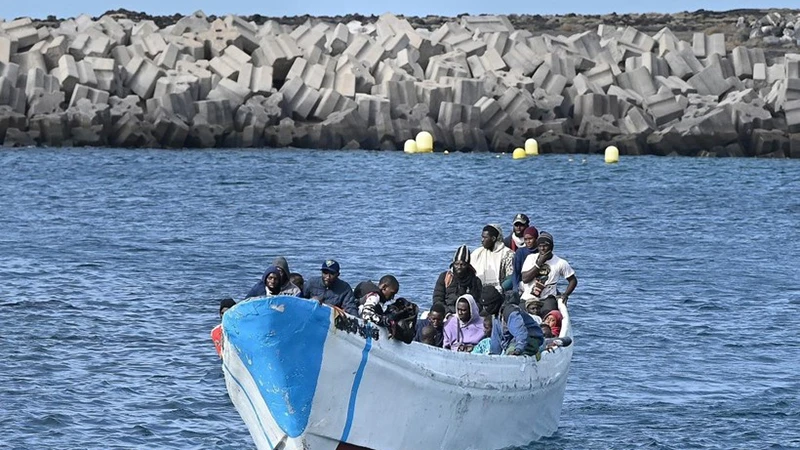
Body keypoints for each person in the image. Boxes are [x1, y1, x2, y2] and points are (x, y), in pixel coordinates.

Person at [519, 232, 578, 305]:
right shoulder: (531, 258)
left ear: (551, 247)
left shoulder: (560, 262)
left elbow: (573, 280)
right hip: (528, 297)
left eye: (545, 246)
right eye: (540, 246)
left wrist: (565, 294)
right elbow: (525, 279)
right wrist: (539, 263)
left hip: (547, 299)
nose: (542, 248)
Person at [432, 245, 483, 315]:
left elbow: (479, 302)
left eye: (462, 264)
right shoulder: (445, 277)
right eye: (456, 264)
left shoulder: (475, 281)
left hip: (467, 314)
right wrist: (447, 313)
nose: (459, 267)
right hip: (447, 313)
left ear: (467, 265)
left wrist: (469, 313)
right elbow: (437, 299)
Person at [471, 224, 515, 293]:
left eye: (485, 237)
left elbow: (511, 278)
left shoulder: (508, 254)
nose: (482, 240)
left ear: (493, 238)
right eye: (482, 237)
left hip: (500, 292)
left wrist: (499, 289)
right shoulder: (477, 253)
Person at [511, 226, 538, 292]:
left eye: (530, 239)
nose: (528, 241)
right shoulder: (520, 252)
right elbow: (516, 272)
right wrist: (515, 288)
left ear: (536, 238)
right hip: (523, 282)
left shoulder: (540, 252)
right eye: (525, 239)